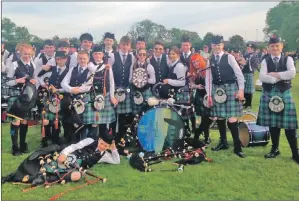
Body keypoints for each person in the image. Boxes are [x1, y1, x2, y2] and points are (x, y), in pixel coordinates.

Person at [2, 130, 120, 185]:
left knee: (76, 176)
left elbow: (116, 161)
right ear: (99, 139)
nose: (102, 146)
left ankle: (43, 179)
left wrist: (113, 148)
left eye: (106, 145)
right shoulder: (89, 140)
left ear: (109, 145)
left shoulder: (105, 155)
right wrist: (63, 154)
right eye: (101, 143)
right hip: (66, 156)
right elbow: (74, 146)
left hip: (73, 167)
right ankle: (14, 176)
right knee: (42, 157)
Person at [257, 35, 298, 164]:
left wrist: (275, 75)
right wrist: (279, 77)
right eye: (272, 46)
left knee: (290, 126)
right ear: (268, 48)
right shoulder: (265, 60)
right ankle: (275, 149)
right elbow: (262, 77)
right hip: (269, 93)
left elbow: (292, 73)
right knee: (273, 124)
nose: (274, 48)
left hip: (284, 93)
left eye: (277, 45)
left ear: (281, 46)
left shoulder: (288, 59)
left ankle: (295, 153)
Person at [205, 35, 245, 158]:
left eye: (219, 45)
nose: (217, 47)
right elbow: (208, 79)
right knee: (220, 117)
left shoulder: (230, 57)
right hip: (217, 90)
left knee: (232, 119)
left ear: (222, 45)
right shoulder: (210, 60)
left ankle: (237, 147)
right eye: (214, 45)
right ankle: (223, 142)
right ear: (212, 46)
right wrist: (209, 94)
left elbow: (239, 74)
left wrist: (241, 91)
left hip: (231, 88)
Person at [6, 43, 38, 156]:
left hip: (27, 96)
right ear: (20, 52)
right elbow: (8, 81)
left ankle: (23, 144)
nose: (27, 56)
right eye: (25, 53)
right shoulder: (14, 64)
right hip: (16, 95)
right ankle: (15, 147)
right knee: (16, 121)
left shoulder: (33, 65)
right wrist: (17, 81)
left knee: (24, 121)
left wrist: (34, 81)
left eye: (29, 54)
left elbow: (34, 79)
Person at [37, 51, 70, 147]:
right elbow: (38, 76)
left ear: (66, 59)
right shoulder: (52, 69)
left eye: (62, 59)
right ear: (56, 60)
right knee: (46, 119)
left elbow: (69, 86)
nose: (60, 61)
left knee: (57, 119)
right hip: (50, 97)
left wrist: (58, 90)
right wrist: (44, 84)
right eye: (58, 59)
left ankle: (56, 139)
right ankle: (45, 139)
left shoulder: (69, 70)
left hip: (63, 98)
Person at [61, 51, 94, 143]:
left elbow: (89, 86)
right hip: (72, 98)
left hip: (84, 98)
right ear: (77, 59)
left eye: (84, 58)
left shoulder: (91, 71)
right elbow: (63, 83)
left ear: (88, 59)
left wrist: (78, 90)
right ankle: (73, 142)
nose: (82, 60)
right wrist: (71, 89)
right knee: (73, 121)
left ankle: (83, 143)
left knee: (83, 122)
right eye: (80, 58)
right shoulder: (73, 69)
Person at [87, 45, 117, 140]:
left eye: (99, 54)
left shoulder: (108, 66)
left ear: (103, 54)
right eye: (95, 54)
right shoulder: (90, 64)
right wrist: (105, 66)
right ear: (92, 55)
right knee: (95, 120)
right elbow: (95, 69)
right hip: (94, 94)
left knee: (103, 120)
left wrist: (112, 96)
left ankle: (103, 138)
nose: (97, 56)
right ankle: (94, 139)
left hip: (105, 94)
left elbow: (111, 81)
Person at [111, 36, 134, 143]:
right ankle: (111, 138)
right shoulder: (113, 56)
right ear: (120, 45)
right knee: (113, 115)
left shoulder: (132, 57)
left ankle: (121, 138)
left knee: (123, 116)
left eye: (127, 45)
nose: (125, 47)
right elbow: (109, 73)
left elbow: (131, 73)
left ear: (130, 46)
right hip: (115, 88)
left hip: (126, 89)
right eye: (123, 44)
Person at [189, 53, 212, 144]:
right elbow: (191, 84)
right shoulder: (193, 72)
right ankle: (206, 137)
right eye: (193, 62)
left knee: (210, 117)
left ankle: (198, 132)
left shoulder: (207, 69)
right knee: (204, 118)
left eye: (197, 61)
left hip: (208, 95)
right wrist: (196, 86)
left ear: (201, 60)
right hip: (199, 97)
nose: (195, 64)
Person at [131, 48, 156, 115]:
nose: (142, 56)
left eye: (144, 54)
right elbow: (130, 79)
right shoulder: (133, 66)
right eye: (140, 54)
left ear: (146, 56)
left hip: (146, 91)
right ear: (137, 55)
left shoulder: (149, 66)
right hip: (136, 91)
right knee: (136, 114)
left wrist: (143, 80)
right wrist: (136, 80)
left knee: (147, 112)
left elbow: (153, 80)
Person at [180, 35, 196, 134]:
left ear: (190, 45)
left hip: (192, 85)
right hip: (182, 85)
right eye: (183, 45)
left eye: (187, 45)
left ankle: (194, 127)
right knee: (183, 107)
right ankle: (186, 128)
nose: (185, 47)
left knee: (192, 107)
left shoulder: (194, 56)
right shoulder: (179, 56)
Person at [242, 44, 259, 110]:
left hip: (249, 74)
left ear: (252, 49)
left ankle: (249, 104)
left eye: (249, 48)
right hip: (243, 73)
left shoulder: (254, 56)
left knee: (249, 91)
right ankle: (245, 103)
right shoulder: (245, 55)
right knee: (244, 90)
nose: (248, 49)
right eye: (247, 48)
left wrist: (247, 63)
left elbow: (255, 65)